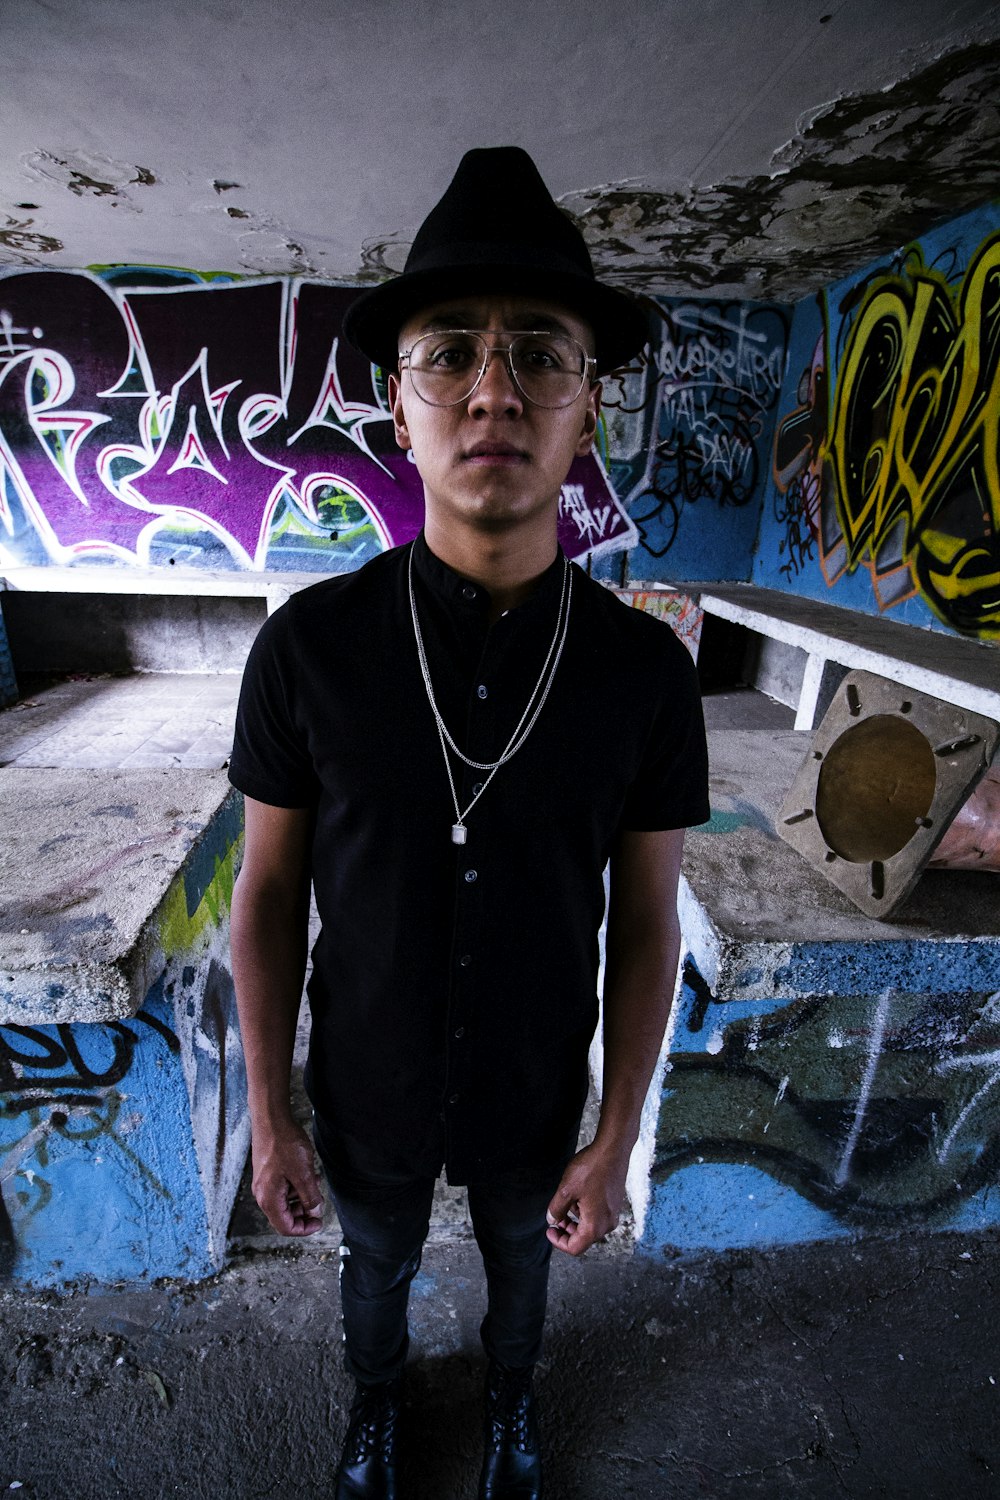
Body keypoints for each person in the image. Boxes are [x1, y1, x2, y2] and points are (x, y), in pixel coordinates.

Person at [228, 146, 709, 1500]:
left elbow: (649, 919)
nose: (494, 387)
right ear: (401, 403)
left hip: (532, 1082)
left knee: (521, 1265)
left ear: (587, 407)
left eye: (539, 353)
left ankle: (510, 1403)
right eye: (451, 352)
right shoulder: (310, 651)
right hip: (366, 1077)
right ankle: (375, 1406)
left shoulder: (641, 673)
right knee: (370, 1267)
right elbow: (266, 897)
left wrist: (616, 1136)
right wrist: (272, 1114)